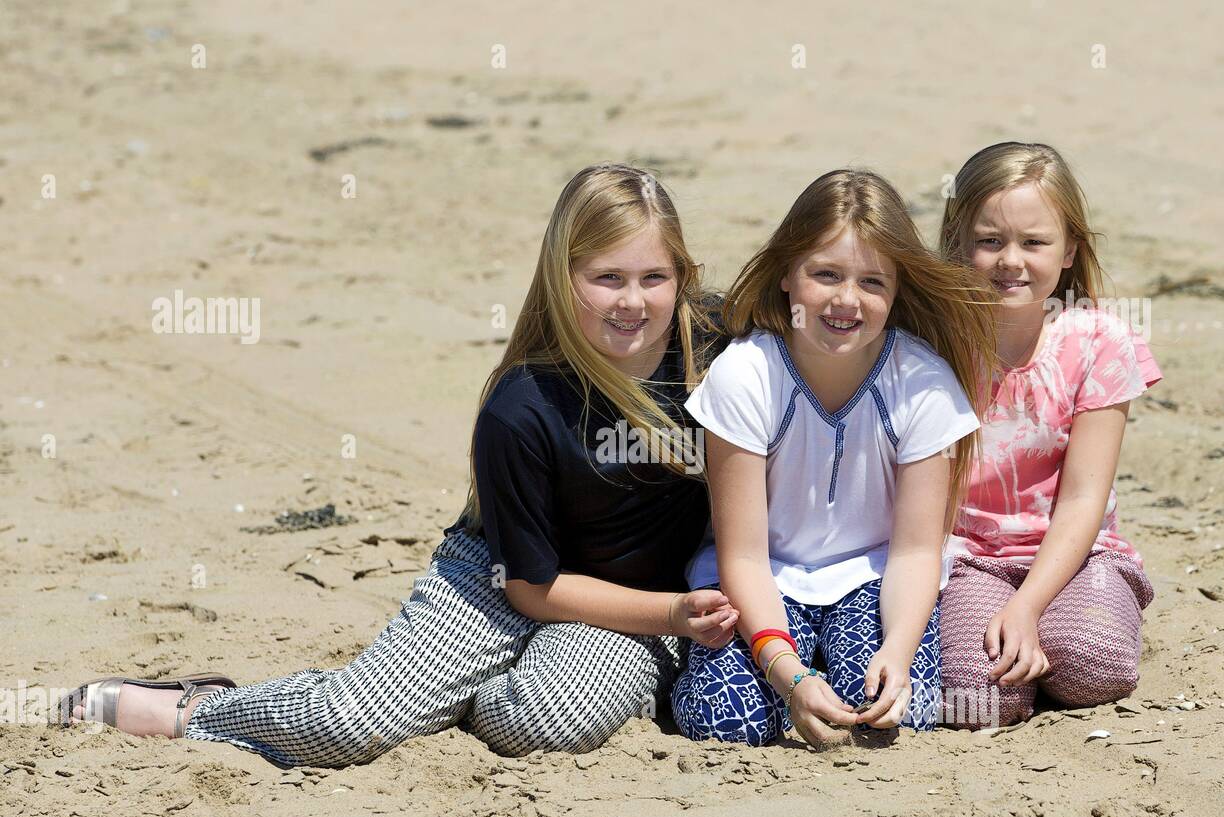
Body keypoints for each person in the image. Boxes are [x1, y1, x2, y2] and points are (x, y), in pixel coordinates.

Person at [59, 163, 739, 766]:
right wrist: (677, 614)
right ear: (564, 281)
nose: (633, 302)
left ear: (683, 276)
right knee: (351, 724)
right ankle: (194, 711)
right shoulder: (522, 403)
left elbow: (823, 300)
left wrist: (673, 613)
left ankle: (458, 700)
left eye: (655, 277)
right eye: (607, 278)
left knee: (546, 719)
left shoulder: (717, 348)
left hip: (634, 608)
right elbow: (531, 589)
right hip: (506, 578)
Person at [671, 168, 996, 749]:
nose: (847, 300)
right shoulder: (748, 374)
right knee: (729, 723)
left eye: (873, 282)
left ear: (898, 292)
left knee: (896, 713)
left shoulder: (921, 381)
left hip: (872, 576)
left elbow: (918, 549)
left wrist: (899, 649)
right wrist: (788, 674)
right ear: (788, 278)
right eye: (825, 275)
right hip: (764, 576)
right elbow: (742, 555)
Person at [936, 142, 1163, 727]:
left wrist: (1028, 605)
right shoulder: (932, 346)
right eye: (990, 241)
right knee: (982, 697)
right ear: (958, 244)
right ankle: (1028, 647)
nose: (1011, 259)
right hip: (968, 558)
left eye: (1034, 242)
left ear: (1068, 252)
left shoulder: (1098, 342)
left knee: (1091, 666)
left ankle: (1082, 618)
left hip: (1074, 553)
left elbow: (1085, 498)